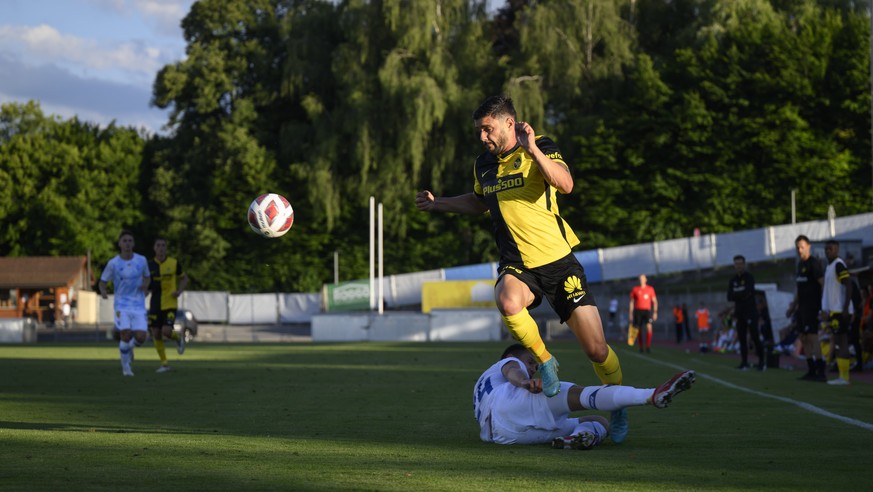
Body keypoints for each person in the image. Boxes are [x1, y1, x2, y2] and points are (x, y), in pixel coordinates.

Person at [415, 95, 630, 443]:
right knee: (507, 300)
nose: (483, 137)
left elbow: (566, 184)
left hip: (559, 263)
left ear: (508, 123)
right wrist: (438, 203)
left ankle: (617, 403)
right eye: (479, 131)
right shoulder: (483, 165)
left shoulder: (541, 145)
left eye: (488, 129)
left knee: (597, 351)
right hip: (518, 264)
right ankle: (545, 362)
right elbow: (479, 201)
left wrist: (534, 152)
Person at [473, 344, 695, 449]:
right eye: (531, 362)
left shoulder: (481, 385)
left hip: (504, 437)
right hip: (509, 405)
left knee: (600, 422)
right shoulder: (507, 363)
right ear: (511, 356)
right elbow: (512, 369)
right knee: (580, 394)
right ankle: (650, 395)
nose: (533, 368)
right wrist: (523, 382)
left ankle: (578, 439)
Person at [99, 229, 151, 377]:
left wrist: (145, 286)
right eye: (124, 241)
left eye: (130, 241)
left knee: (141, 337)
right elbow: (102, 282)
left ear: (133, 243)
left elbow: (147, 277)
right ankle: (126, 368)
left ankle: (130, 348)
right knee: (125, 334)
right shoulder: (113, 263)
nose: (127, 243)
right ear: (120, 244)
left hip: (138, 304)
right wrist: (103, 291)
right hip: (121, 305)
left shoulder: (141, 260)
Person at [785, 235, 825, 380]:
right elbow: (799, 288)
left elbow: (823, 284)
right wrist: (793, 307)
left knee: (813, 337)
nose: (799, 250)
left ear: (809, 246)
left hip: (812, 307)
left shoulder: (813, 263)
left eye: (802, 246)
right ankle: (811, 369)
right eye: (797, 247)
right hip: (802, 308)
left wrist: (824, 305)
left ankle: (821, 370)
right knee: (803, 337)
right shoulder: (800, 265)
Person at [148, 237, 189, 373]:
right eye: (158, 245)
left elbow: (184, 279)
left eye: (163, 245)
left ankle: (178, 338)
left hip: (170, 303)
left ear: (166, 248)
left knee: (166, 331)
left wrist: (179, 291)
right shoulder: (149, 265)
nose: (160, 248)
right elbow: (145, 283)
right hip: (155, 303)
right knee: (156, 333)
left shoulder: (174, 263)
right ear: (154, 248)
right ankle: (164, 364)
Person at [822, 240, 855, 385]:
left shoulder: (838, 265)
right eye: (826, 249)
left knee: (842, 341)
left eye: (831, 248)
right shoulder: (829, 266)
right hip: (834, 310)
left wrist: (846, 307)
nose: (828, 251)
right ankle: (842, 375)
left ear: (837, 250)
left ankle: (844, 377)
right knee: (838, 341)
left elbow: (848, 284)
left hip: (840, 310)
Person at [727, 255, 764, 370]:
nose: (738, 266)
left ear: (744, 264)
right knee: (742, 338)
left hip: (750, 312)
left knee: (755, 336)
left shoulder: (749, 277)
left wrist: (738, 295)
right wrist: (740, 295)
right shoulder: (733, 280)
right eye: (736, 264)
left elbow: (748, 292)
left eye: (740, 263)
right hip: (739, 313)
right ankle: (744, 362)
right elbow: (729, 296)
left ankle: (762, 362)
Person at [629, 274, 658, 353]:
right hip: (638, 311)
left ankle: (648, 346)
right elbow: (632, 302)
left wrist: (655, 312)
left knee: (649, 328)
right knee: (639, 329)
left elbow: (654, 301)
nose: (641, 280)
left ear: (646, 279)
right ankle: (641, 347)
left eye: (642, 278)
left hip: (647, 311)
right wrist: (631, 313)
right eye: (640, 278)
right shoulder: (635, 289)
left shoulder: (650, 289)